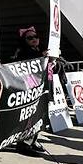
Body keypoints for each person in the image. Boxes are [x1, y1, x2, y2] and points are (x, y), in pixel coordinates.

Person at [11, 26, 48, 155]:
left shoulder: (41, 50)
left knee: (39, 115)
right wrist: (41, 57)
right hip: (29, 90)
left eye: (35, 37)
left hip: (40, 88)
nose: (34, 39)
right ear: (24, 40)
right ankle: (24, 144)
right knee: (30, 116)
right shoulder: (23, 52)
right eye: (30, 38)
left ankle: (33, 140)